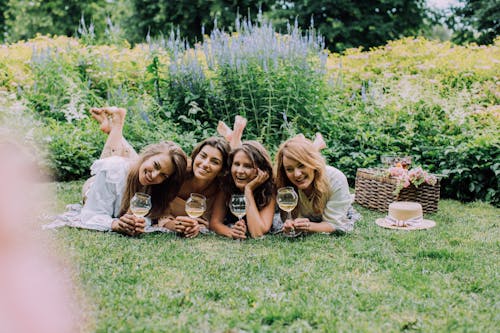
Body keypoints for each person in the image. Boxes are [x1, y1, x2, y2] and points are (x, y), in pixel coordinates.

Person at [62, 107, 188, 236]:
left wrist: (139, 222)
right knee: (113, 163)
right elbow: (91, 214)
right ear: (148, 155)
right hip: (93, 185)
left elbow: (154, 217)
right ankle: (117, 125)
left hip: (134, 169)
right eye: (156, 165)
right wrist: (115, 224)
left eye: (163, 175)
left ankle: (111, 127)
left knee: (133, 165)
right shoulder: (112, 170)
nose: (154, 175)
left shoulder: (157, 186)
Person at [275, 135, 360, 235]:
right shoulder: (284, 183)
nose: (297, 174)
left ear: (313, 163)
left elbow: (334, 224)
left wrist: (308, 226)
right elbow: (289, 218)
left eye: (301, 165)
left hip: (335, 208)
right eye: (289, 169)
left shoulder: (336, 179)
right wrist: (291, 224)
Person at [157, 136, 230, 238]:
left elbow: (214, 223)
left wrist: (196, 227)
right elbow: (160, 213)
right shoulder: (179, 173)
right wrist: (175, 226)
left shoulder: (220, 187)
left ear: (222, 169)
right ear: (195, 156)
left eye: (214, 162)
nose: (205, 164)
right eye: (203, 156)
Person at [210, 140, 276, 239]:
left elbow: (257, 233)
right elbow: (215, 223)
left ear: (261, 170)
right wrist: (231, 232)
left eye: (247, 166)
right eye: (236, 164)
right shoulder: (227, 184)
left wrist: (248, 190)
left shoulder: (269, 189)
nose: (239, 171)